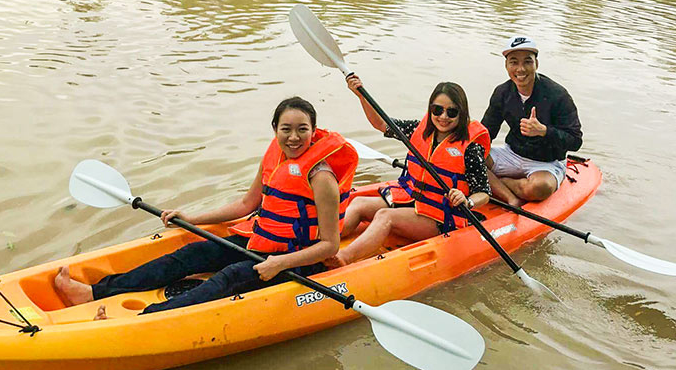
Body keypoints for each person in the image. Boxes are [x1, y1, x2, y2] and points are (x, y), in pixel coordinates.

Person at [55, 96, 359, 316]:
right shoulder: (275, 158)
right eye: (286, 129)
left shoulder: (322, 178)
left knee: (229, 278)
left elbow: (330, 246)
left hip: (297, 258)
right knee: (191, 254)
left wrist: (279, 263)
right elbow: (245, 204)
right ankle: (94, 293)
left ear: (314, 131)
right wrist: (192, 218)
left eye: (302, 129)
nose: (294, 137)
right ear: (275, 130)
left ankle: (143, 318)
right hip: (260, 240)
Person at [326, 77, 491, 267]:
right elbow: (381, 124)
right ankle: (323, 243)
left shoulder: (470, 149)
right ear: (430, 110)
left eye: (451, 112)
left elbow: (484, 192)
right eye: (437, 110)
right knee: (360, 203)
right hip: (411, 198)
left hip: (440, 215)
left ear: (462, 114)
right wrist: (361, 95)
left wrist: (467, 200)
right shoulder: (418, 130)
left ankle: (343, 258)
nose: (443, 117)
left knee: (384, 216)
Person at [482, 36, 583, 207]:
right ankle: (510, 194)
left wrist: (544, 131)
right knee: (469, 158)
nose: (520, 69)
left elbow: (575, 141)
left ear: (537, 64)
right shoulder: (502, 93)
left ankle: (497, 183)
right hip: (511, 154)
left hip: (547, 163)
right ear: (506, 66)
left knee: (539, 188)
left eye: (527, 62)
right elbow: (485, 133)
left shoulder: (558, 95)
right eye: (514, 62)